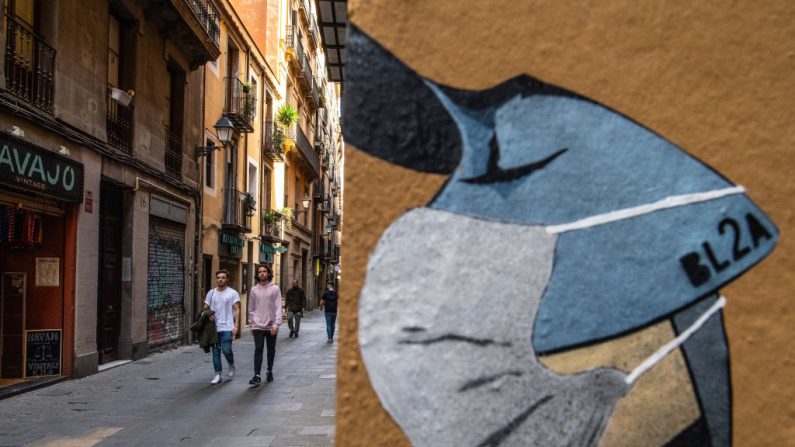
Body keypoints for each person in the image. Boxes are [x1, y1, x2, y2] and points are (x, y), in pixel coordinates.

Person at [247, 264, 283, 385]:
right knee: (258, 349)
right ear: (257, 275)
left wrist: (277, 324)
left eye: (264, 271)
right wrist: (251, 323)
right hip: (257, 324)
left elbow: (278, 307)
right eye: (260, 272)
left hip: (271, 324)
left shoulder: (275, 289)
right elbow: (251, 308)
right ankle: (257, 375)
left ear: (268, 273)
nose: (262, 273)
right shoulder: (253, 290)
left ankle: (269, 370)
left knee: (271, 349)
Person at [204, 269, 240, 384]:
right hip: (214, 328)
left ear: (227, 279)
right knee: (215, 352)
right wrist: (208, 316)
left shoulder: (232, 293)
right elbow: (206, 308)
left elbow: (236, 309)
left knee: (226, 349)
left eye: (223, 277)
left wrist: (236, 325)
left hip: (227, 327)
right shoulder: (211, 293)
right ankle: (218, 375)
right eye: (218, 277)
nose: (220, 279)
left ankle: (231, 363)